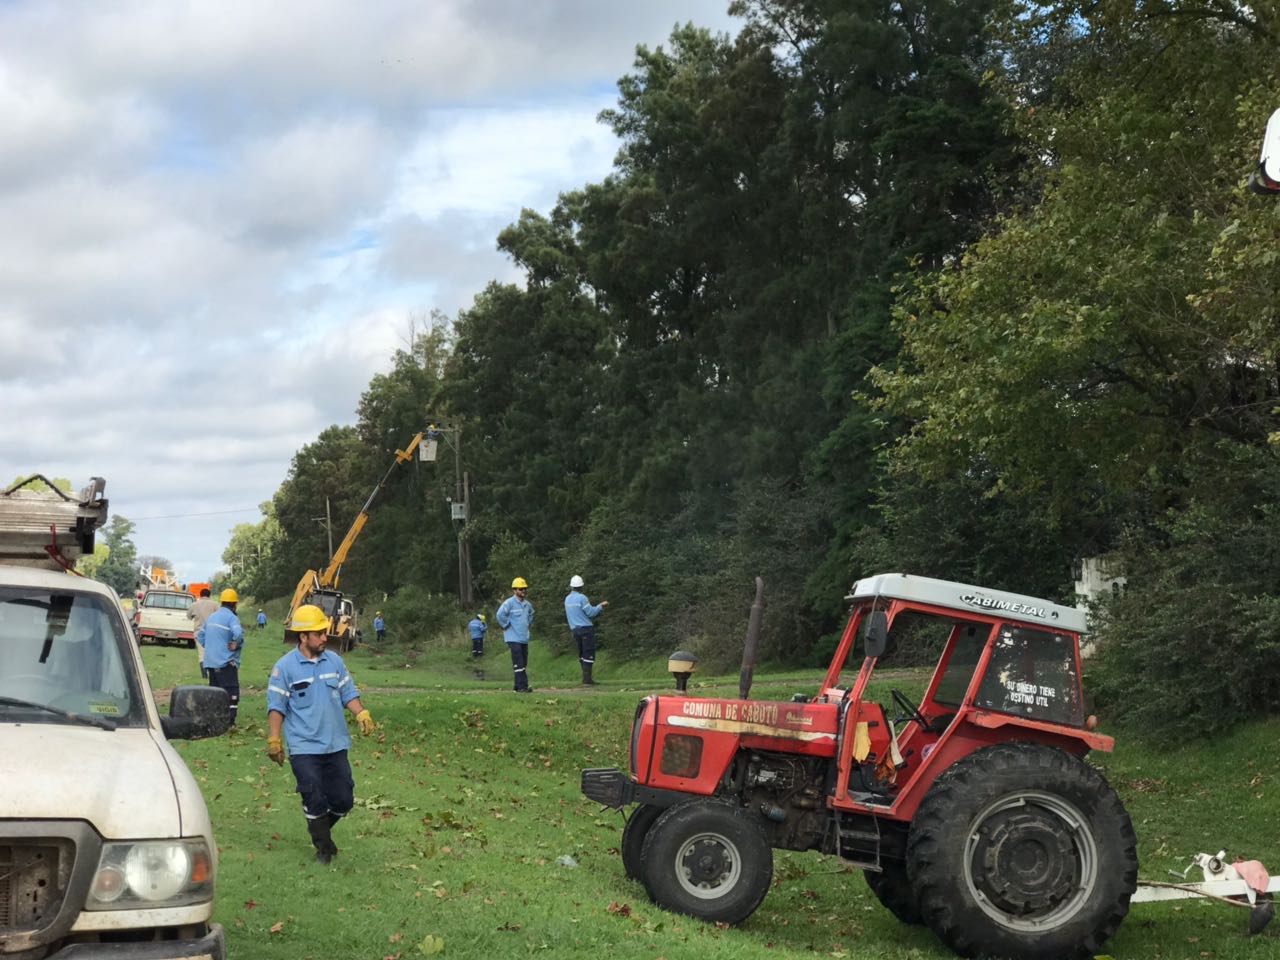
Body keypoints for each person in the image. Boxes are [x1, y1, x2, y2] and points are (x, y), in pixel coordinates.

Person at [266, 604, 376, 865]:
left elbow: (348, 693)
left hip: (335, 744)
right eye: (319, 634)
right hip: (304, 747)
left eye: (325, 632)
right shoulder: (284, 668)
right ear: (303, 636)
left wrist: (361, 713)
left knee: (343, 800)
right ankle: (324, 849)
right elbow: (277, 706)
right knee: (313, 797)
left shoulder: (335, 661)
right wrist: (274, 739)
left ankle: (319, 828)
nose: (325, 637)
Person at [200, 588, 245, 725]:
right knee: (231, 690)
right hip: (226, 662)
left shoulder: (212, 617)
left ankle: (214, 719)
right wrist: (235, 644)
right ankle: (229, 721)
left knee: (215, 691)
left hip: (210, 662)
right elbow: (238, 634)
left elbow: (200, 636)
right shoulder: (232, 618)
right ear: (234, 604)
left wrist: (211, 647)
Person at [564, 574, 608, 685]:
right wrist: (600, 606)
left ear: (571, 586)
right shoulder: (582, 598)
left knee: (582, 653)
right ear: (581, 586)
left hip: (574, 630)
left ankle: (585, 678)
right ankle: (587, 680)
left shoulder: (567, 599)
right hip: (586, 629)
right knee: (588, 652)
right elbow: (591, 613)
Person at [495, 577, 534, 693]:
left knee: (524, 662)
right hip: (513, 637)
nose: (523, 591)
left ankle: (517, 686)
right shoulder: (509, 603)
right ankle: (523, 687)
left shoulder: (527, 604)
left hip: (523, 637)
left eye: (524, 589)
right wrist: (506, 624)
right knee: (519, 662)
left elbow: (532, 613)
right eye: (520, 589)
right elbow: (499, 615)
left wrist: (529, 623)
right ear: (514, 590)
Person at [186, 587, 219, 680]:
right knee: (212, 652)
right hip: (212, 632)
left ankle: (204, 674)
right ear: (209, 595)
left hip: (199, 632)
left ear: (200, 595)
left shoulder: (194, 605)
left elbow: (189, 616)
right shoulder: (215, 605)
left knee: (202, 653)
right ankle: (212, 672)